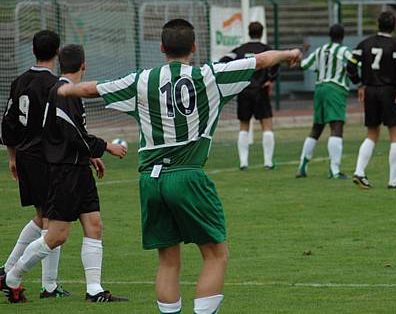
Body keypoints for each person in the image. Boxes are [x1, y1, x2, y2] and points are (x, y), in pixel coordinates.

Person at [55, 19, 302, 314]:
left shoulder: (142, 79)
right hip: (187, 176)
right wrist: (289, 54)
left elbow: (92, 89)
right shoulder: (209, 75)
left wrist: (67, 90)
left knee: (168, 260)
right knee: (215, 255)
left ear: (161, 48)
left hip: (150, 180)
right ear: (194, 48)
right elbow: (261, 60)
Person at [3, 44, 128, 303]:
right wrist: (105, 147)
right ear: (84, 65)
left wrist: (90, 156)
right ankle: (13, 276)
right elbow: (72, 136)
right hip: (65, 172)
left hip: (78, 169)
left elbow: (72, 134)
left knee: (94, 225)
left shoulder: (65, 91)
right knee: (56, 235)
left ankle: (95, 289)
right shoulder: (62, 92)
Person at [0, 30, 70, 299]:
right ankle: (48, 286)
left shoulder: (19, 82)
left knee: (43, 217)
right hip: (46, 159)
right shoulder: (55, 86)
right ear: (57, 53)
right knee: (55, 219)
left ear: (33, 50)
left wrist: (12, 157)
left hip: (26, 157)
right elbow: (61, 127)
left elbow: (8, 123)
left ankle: (6, 269)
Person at [347, 11, 396, 190]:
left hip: (370, 91)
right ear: (394, 25)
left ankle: (359, 171)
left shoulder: (365, 43)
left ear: (377, 23)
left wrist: (359, 84)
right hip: (389, 91)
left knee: (372, 134)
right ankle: (393, 180)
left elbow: (350, 65)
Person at [296, 24, 356, 179]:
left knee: (316, 128)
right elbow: (355, 66)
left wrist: (303, 51)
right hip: (335, 89)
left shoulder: (320, 50)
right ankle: (335, 171)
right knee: (336, 127)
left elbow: (304, 65)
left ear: (330, 35)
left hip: (320, 88)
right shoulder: (344, 51)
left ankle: (302, 166)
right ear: (342, 37)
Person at [219, 22, 278, 170]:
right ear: (262, 32)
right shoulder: (266, 50)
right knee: (267, 125)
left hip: (244, 90)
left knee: (244, 126)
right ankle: (268, 163)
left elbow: (223, 60)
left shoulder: (240, 49)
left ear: (249, 32)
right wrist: (270, 79)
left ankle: (243, 163)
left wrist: (235, 78)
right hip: (260, 91)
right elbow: (277, 63)